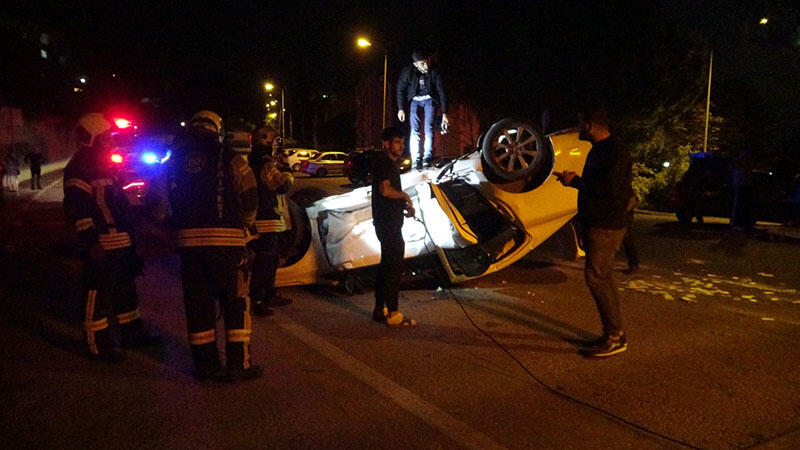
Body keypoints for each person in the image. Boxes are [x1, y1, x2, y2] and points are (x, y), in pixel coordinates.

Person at [167, 110, 262, 382]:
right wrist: (247, 222)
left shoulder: (174, 159)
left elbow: (158, 203)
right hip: (227, 245)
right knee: (236, 304)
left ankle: (206, 368)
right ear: (217, 130)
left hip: (189, 248)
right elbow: (250, 192)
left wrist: (177, 229)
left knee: (198, 307)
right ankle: (237, 365)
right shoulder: (228, 155)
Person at [63, 113, 159, 362]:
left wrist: (145, 208)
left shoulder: (104, 165)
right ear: (91, 138)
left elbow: (119, 203)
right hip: (103, 243)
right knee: (98, 294)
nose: (111, 143)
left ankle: (132, 333)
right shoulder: (79, 168)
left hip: (121, 242)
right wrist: (91, 241)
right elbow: (77, 208)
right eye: (105, 138)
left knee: (126, 291)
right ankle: (97, 344)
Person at [555, 105, 633, 357]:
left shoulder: (612, 150)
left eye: (580, 123)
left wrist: (575, 182)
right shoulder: (606, 149)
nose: (577, 129)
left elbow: (608, 189)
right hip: (603, 222)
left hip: (605, 224)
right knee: (604, 276)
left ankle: (613, 338)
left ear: (589, 125)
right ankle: (616, 333)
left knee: (596, 277)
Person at [371, 126, 417, 327]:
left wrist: (403, 206)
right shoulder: (385, 163)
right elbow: (385, 190)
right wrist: (405, 196)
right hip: (388, 223)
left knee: (386, 266)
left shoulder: (388, 164)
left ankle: (379, 309)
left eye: (402, 142)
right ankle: (394, 312)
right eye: (397, 142)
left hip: (388, 221)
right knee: (394, 268)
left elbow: (389, 194)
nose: (401, 146)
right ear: (386, 143)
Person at [249, 126, 293, 317]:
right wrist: (287, 171)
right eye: (274, 142)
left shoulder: (254, 161)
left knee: (271, 259)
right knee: (265, 260)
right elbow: (281, 185)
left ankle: (268, 294)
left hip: (266, 219)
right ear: (265, 141)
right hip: (266, 219)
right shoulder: (264, 164)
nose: (276, 146)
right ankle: (257, 299)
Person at [396, 49, 448, 170]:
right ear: (416, 64)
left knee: (428, 128)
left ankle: (427, 157)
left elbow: (441, 91)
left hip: (429, 99)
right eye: (422, 64)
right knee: (415, 130)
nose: (426, 66)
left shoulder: (434, 71)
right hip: (415, 100)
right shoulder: (408, 72)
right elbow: (400, 89)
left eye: (427, 62)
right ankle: (416, 158)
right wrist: (400, 108)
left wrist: (445, 112)